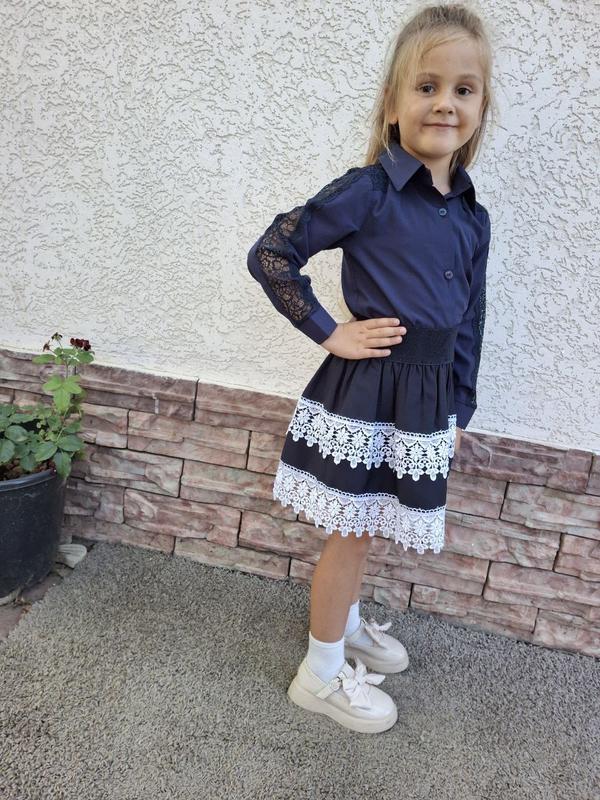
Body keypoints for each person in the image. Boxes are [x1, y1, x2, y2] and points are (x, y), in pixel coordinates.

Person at [246, 3, 495, 734]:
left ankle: (345, 625)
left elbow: (470, 318)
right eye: (426, 86)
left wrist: (458, 409)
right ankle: (319, 675)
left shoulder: (472, 216)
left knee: (372, 525)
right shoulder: (370, 190)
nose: (444, 103)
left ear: (481, 108)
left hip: (425, 398)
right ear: (393, 103)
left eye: (463, 89)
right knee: (351, 532)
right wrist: (331, 332)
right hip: (369, 390)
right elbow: (272, 254)